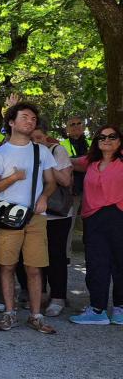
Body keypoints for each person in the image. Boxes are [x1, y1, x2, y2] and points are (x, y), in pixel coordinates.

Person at [0, 102, 59, 333]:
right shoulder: (0, 153)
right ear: (11, 122)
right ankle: (10, 314)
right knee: (7, 267)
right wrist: (14, 178)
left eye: (33, 119)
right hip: (8, 217)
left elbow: (52, 182)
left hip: (36, 217)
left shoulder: (42, 151)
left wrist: (45, 197)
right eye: (25, 117)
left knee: (35, 268)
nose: (30, 121)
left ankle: (35, 316)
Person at [69, 125, 123, 325]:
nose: (106, 139)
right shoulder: (91, 162)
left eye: (112, 136)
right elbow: (70, 162)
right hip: (94, 219)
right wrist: (51, 147)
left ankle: (120, 309)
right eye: (101, 136)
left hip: (119, 216)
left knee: (121, 262)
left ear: (119, 140)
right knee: (96, 264)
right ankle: (97, 309)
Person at [29, 125, 74, 317]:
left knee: (56, 256)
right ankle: (42, 294)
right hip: (35, 213)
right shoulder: (24, 152)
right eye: (32, 139)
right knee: (37, 256)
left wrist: (46, 158)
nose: (36, 141)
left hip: (57, 214)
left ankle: (58, 297)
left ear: (47, 137)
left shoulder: (57, 151)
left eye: (39, 137)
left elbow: (66, 181)